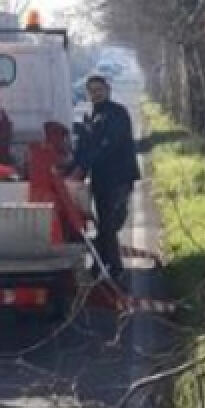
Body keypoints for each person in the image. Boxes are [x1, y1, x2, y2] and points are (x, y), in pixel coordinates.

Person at [71, 74, 141, 281]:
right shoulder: (93, 115)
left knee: (110, 225)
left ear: (107, 90)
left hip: (118, 178)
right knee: (106, 226)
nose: (95, 94)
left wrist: (83, 164)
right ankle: (106, 267)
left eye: (99, 90)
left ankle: (110, 268)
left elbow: (108, 145)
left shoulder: (117, 114)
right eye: (91, 91)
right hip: (101, 180)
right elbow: (88, 145)